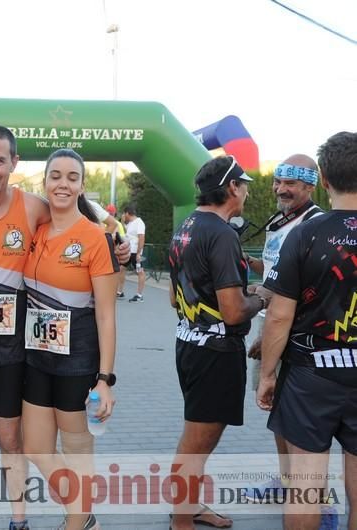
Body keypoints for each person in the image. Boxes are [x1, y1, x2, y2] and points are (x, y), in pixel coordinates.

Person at [0, 126, 131, 530]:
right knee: (0, 439)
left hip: (49, 355)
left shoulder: (45, 213)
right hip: (9, 352)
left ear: (14, 164)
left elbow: (106, 299)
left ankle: (58, 518)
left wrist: (118, 245)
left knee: (43, 443)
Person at [257, 131, 357, 530]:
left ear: (325, 182)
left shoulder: (304, 234)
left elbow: (279, 316)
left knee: (305, 486)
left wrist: (267, 375)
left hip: (309, 376)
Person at [21, 149, 119, 530]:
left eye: (72, 177)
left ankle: (77, 521)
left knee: (77, 450)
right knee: (36, 449)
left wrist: (105, 379)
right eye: (55, 176)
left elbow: (107, 314)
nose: (63, 183)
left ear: (81, 186)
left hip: (78, 360)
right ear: (44, 181)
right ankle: (83, 511)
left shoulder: (95, 238)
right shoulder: (37, 230)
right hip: (37, 357)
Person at [167, 155, 265, 530]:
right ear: (231, 189)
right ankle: (182, 520)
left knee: (193, 438)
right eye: (243, 185)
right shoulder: (222, 233)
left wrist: (242, 292)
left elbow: (175, 298)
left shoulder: (186, 225)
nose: (244, 192)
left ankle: (188, 507)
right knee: (196, 444)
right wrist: (262, 297)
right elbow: (234, 312)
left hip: (189, 342)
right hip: (215, 350)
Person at [241, 155, 327, 512]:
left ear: (310, 185)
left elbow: (312, 285)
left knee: (305, 420)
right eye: (278, 182)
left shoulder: (317, 223)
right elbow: (275, 267)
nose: (281, 189)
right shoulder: (281, 221)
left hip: (301, 331)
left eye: (290, 184)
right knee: (278, 412)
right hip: (273, 321)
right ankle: (287, 480)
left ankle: (314, 497)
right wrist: (246, 262)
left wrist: (269, 318)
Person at [120, 204, 146, 302]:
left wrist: (139, 253)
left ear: (127, 213)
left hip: (135, 252)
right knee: (121, 269)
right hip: (129, 251)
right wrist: (122, 221)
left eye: (124, 213)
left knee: (140, 271)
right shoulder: (131, 223)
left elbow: (141, 238)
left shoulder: (139, 222)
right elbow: (127, 232)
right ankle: (120, 292)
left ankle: (139, 295)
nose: (123, 215)